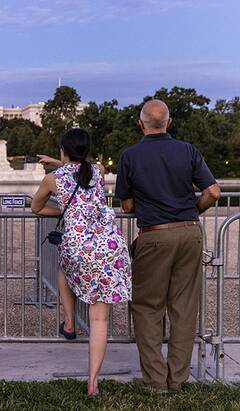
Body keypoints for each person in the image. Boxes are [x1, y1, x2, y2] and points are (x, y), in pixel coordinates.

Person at [115, 99, 221, 392]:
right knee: (184, 309)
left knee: (148, 308)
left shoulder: (130, 156)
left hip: (154, 235)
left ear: (141, 123)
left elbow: (126, 205)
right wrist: (189, 212)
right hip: (189, 233)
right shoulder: (187, 150)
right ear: (169, 123)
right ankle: (178, 379)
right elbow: (213, 192)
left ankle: (155, 381)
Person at [32, 128, 132, 396]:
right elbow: (80, 167)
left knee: (65, 268)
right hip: (109, 248)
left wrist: (64, 208)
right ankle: (92, 384)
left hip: (76, 247)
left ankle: (69, 323)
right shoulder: (97, 170)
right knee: (99, 320)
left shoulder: (54, 179)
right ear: (87, 151)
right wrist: (60, 161)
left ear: (63, 151)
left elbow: (37, 208)